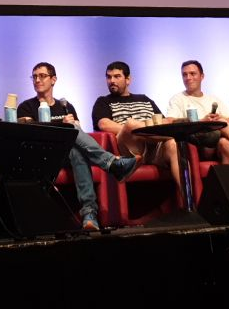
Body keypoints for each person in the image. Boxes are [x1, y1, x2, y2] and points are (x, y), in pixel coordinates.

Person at [17, 62, 139, 231]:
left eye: (42, 76)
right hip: (43, 155)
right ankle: (111, 165)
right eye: (34, 77)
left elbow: (79, 133)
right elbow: (31, 133)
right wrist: (63, 125)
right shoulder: (26, 107)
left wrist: (73, 126)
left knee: (76, 150)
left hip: (66, 154)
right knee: (73, 137)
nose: (37, 80)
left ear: (53, 79)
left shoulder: (65, 106)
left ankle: (89, 214)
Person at [92, 61, 181, 189]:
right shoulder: (103, 101)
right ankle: (159, 135)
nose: (112, 81)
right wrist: (138, 129)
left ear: (128, 79)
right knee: (130, 124)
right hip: (131, 148)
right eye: (109, 77)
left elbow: (163, 121)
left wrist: (144, 130)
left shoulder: (145, 99)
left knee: (172, 144)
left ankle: (189, 199)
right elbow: (104, 124)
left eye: (117, 76)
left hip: (155, 147)